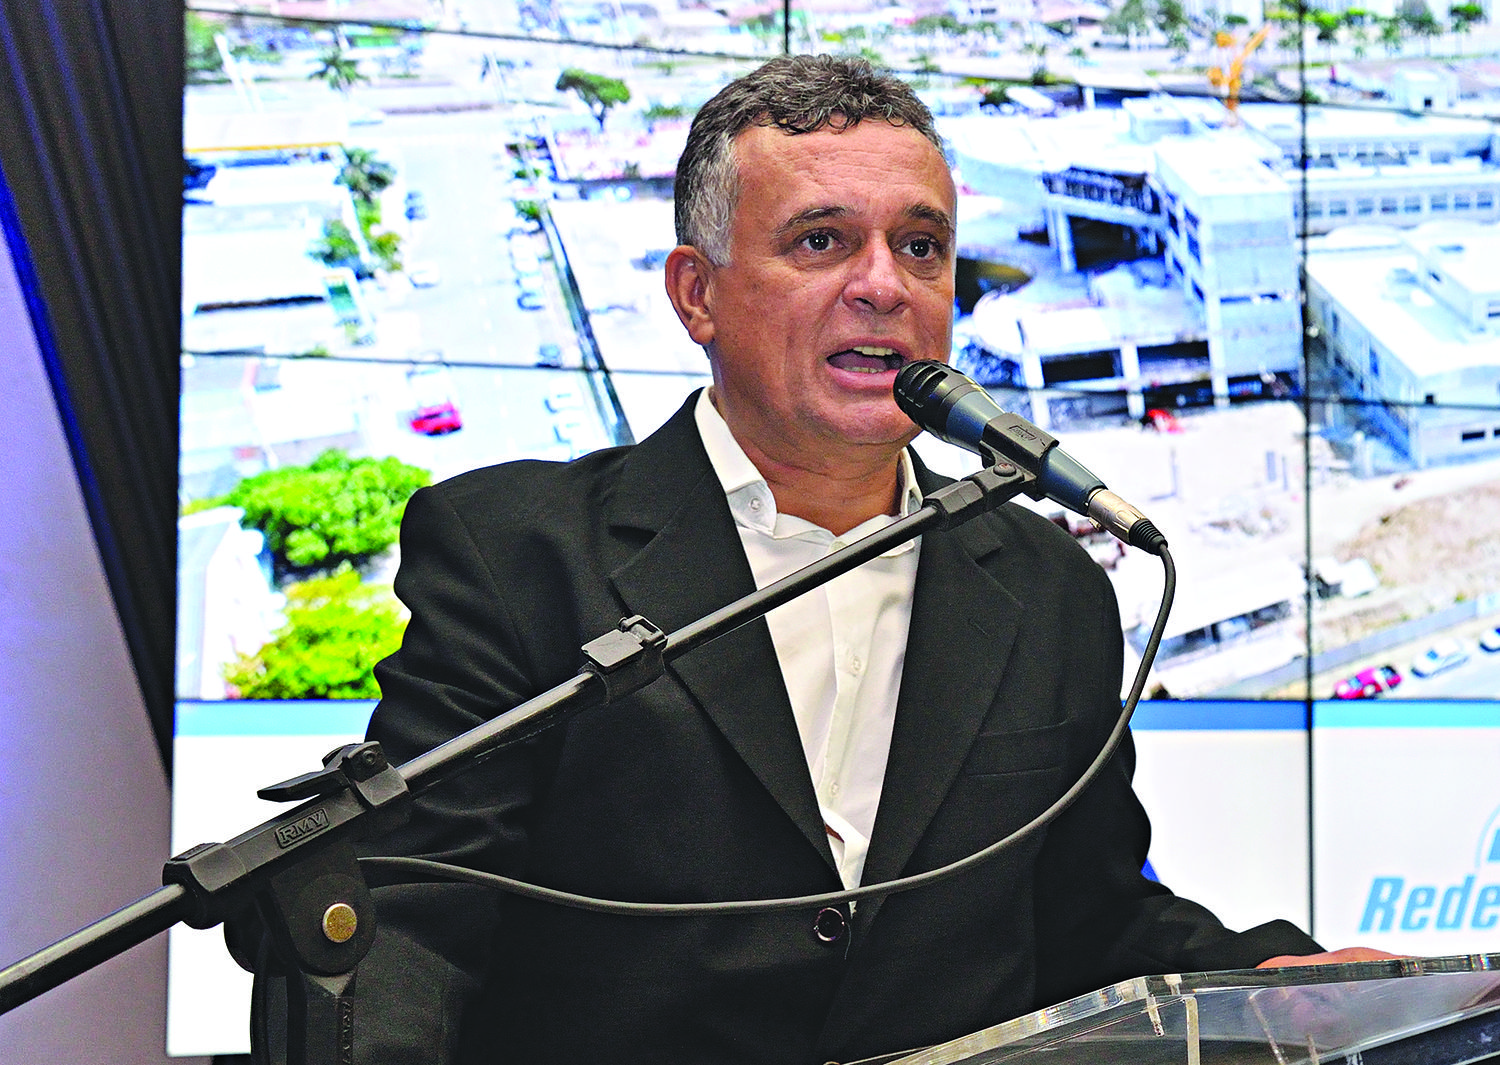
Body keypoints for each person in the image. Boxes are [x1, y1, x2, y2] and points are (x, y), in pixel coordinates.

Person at [356, 54, 1378, 1065]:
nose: (885, 285)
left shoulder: (1049, 585)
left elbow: (1087, 926)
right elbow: (407, 917)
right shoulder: (517, 552)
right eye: (822, 241)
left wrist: (1274, 982)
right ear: (696, 294)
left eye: (921, 246)